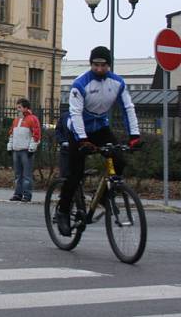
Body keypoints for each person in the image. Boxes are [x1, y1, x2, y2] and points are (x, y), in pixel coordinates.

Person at [56, 46, 141, 236]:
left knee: (119, 160)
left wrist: (134, 136)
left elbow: (128, 108)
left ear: (109, 65)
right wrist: (83, 139)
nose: (99, 69)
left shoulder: (117, 83)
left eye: (103, 65)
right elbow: (76, 114)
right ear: (91, 64)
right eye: (95, 65)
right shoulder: (80, 84)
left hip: (101, 128)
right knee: (75, 173)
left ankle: (103, 197)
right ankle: (63, 211)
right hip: (78, 130)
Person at [5, 98, 41, 203]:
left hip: (26, 150)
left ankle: (27, 194)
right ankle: (18, 193)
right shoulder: (16, 120)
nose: (18, 109)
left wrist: (32, 148)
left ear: (26, 108)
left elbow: (36, 134)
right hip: (16, 150)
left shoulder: (32, 119)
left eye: (19, 107)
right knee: (18, 174)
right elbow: (11, 134)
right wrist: (10, 146)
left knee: (26, 174)